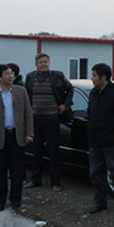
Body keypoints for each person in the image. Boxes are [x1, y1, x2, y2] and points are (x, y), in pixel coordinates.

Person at [0, 64, 34, 212]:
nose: (11, 76)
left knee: (17, 172)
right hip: (0, 137)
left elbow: (28, 114)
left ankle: (15, 201)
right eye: (7, 74)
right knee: (0, 172)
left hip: (17, 136)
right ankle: (0, 201)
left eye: (12, 73)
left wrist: (29, 133)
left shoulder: (21, 91)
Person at [86, 63, 114, 217]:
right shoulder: (94, 93)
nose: (92, 78)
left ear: (103, 77)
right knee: (96, 172)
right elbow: (90, 113)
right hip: (96, 140)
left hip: (111, 140)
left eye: (94, 75)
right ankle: (100, 202)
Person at [24, 53, 74, 192]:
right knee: (37, 150)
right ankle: (35, 179)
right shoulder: (30, 77)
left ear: (49, 63)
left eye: (46, 62)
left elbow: (70, 89)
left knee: (54, 151)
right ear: (36, 64)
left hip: (52, 118)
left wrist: (65, 105)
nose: (43, 64)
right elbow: (26, 95)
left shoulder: (57, 76)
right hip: (35, 118)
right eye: (41, 62)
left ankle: (55, 182)